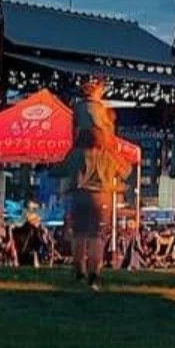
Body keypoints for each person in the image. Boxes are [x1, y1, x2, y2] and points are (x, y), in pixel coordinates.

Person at [53, 77, 129, 289]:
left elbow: (58, 171)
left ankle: (79, 271)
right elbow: (125, 171)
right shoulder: (107, 155)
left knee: (79, 234)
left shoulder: (75, 152)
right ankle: (94, 275)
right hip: (100, 195)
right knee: (97, 236)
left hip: (78, 193)